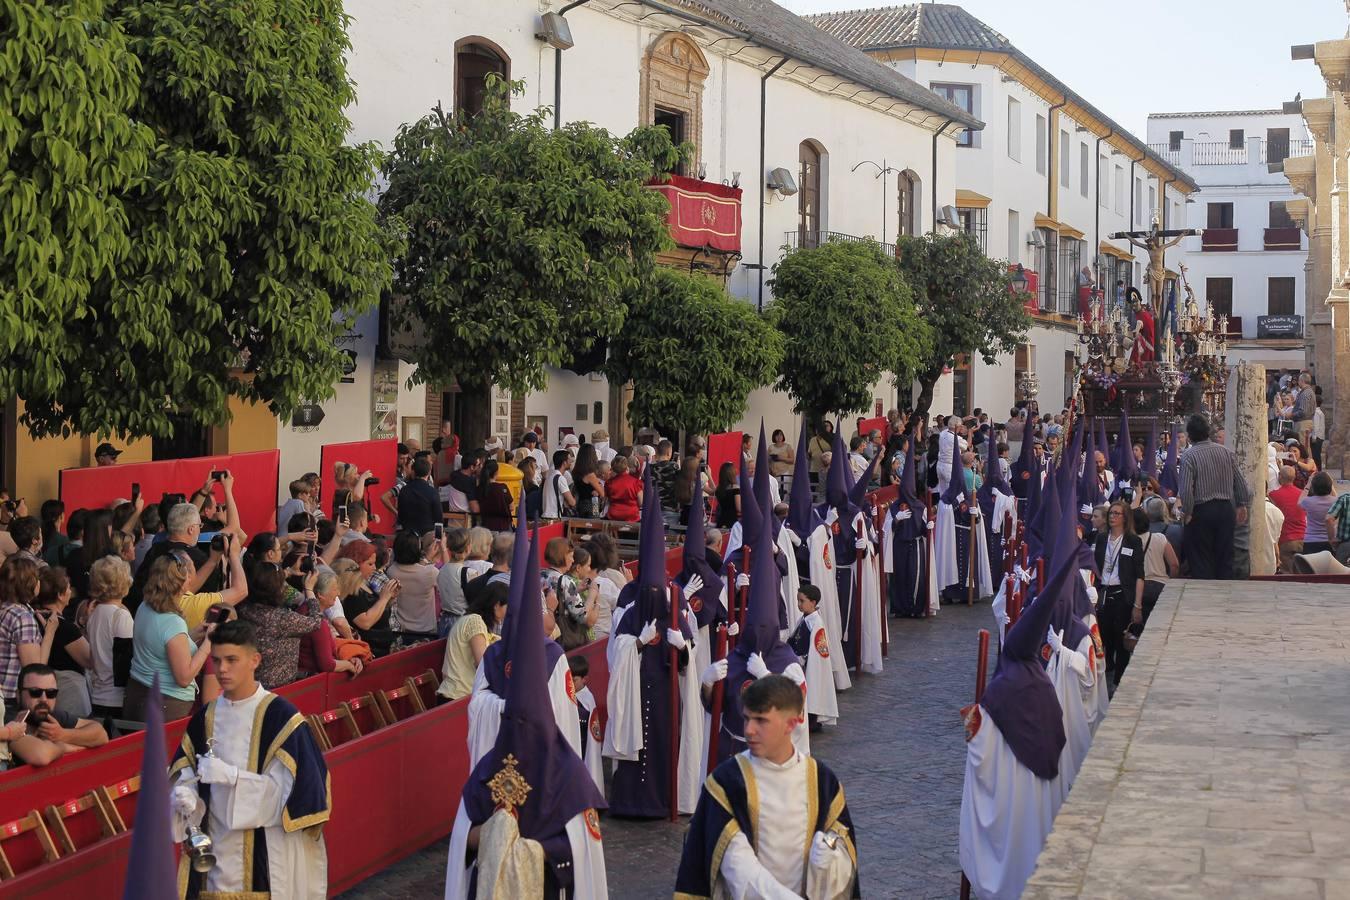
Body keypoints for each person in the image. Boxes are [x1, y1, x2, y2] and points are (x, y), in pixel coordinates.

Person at [444, 526, 607, 900]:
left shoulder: (566, 779)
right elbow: (462, 839)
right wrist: (488, 836)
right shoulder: (486, 775)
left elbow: (582, 852)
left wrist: (527, 850)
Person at [170, 620, 330, 899]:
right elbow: (185, 774)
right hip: (213, 859)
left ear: (255, 660)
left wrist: (232, 778)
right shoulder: (203, 719)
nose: (221, 669)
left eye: (232, 660)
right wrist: (186, 796)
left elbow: (287, 800)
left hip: (264, 860)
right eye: (217, 660)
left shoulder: (282, 719)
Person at [675, 675, 858, 898]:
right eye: (746, 718)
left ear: (791, 724)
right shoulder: (727, 783)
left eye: (761, 720)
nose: (749, 730)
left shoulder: (823, 783)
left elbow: (844, 865)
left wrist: (833, 859)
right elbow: (739, 870)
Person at [604, 475, 703, 818]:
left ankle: (662, 798)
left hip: (663, 691)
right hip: (636, 691)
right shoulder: (630, 613)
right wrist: (638, 643)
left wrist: (683, 647)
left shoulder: (674, 608)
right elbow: (614, 654)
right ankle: (631, 801)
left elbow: (691, 655)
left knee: (662, 743)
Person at [125, 553, 216, 721]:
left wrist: (191, 635)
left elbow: (162, 643)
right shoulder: (172, 622)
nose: (191, 578)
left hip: (136, 695)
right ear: (180, 583)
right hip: (167, 706)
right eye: (188, 574)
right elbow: (184, 677)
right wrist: (208, 643)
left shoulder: (144, 607)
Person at [1178, 414, 1251, 580]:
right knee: (1225, 556)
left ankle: (1206, 597)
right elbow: (1239, 481)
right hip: (1225, 509)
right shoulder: (1226, 452)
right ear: (1208, 432)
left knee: (1201, 557)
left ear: (1189, 436)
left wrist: (1187, 512)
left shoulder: (1189, 456)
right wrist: (1242, 504)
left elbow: (1186, 489)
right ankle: (1225, 594)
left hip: (1201, 511)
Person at [1, 664, 108, 767]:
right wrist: (62, 747)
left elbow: (101, 735)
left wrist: (63, 735)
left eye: (51, 693)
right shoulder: (9, 718)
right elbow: (40, 755)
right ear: (18, 695)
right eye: (35, 692)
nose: (44, 699)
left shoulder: (51, 716)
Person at [1094, 500, 1145, 690]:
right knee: (1104, 636)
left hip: (1123, 593)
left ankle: (1118, 681)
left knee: (1121, 638)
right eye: (1111, 514)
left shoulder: (1133, 541)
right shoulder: (1101, 538)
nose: (1113, 517)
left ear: (1125, 518)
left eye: (1117, 514)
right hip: (1104, 592)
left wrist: (1137, 605)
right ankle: (1106, 672)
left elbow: (1140, 575)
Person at [34, 567, 92, 717]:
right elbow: (89, 659)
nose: (71, 591)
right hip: (68, 698)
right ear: (60, 595)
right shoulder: (65, 628)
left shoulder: (35, 618)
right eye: (68, 588)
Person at [436, 580, 507, 702]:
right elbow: (483, 663)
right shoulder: (475, 621)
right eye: (508, 606)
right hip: (457, 697)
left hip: (459, 695)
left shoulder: (474, 620)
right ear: (496, 605)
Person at [86, 556, 136, 719]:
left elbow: (93, 661)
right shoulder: (120, 616)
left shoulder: (94, 614)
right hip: (117, 699)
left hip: (98, 695)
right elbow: (125, 664)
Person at [334, 541, 400, 657]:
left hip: (381, 648)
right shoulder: (351, 591)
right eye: (370, 564)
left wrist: (389, 597)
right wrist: (383, 599)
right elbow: (365, 622)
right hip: (369, 651)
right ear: (356, 564)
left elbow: (376, 609)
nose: (374, 568)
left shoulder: (366, 583)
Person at [297, 571, 365, 679]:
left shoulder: (303, 609)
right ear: (320, 595)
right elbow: (327, 665)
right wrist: (348, 665)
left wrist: (347, 659)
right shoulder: (318, 624)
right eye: (334, 589)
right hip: (311, 681)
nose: (338, 593)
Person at [0, 557, 48, 708]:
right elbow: (35, 670)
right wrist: (50, 632)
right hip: (11, 699)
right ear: (30, 584)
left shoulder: (5, 610)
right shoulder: (22, 618)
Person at [387, 531, 442, 647]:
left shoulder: (391, 571)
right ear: (418, 549)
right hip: (426, 631)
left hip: (400, 629)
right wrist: (429, 558)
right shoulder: (430, 572)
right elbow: (446, 580)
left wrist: (426, 559)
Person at [1268, 467, 1308, 571]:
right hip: (1302, 538)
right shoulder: (1302, 494)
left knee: (1287, 575)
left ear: (1280, 477)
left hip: (1285, 540)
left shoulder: (1273, 495)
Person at [396, 455, 442, 536]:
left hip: (408, 536)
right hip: (428, 536)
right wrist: (438, 537)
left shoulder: (404, 490)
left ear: (413, 471)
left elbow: (401, 515)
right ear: (429, 472)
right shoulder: (433, 492)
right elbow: (438, 519)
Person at [1297, 471, 1337, 556]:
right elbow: (1336, 497)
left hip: (1310, 541)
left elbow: (1299, 502)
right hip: (1328, 541)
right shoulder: (1334, 502)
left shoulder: (1308, 502)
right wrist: (1330, 483)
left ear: (1313, 487)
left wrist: (1308, 483)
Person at [604, 455, 642, 522]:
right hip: (632, 515)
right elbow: (641, 501)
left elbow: (607, 499)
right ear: (626, 466)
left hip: (613, 515)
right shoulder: (636, 482)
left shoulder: (609, 482)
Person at [542, 449, 577, 520]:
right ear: (564, 462)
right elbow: (572, 502)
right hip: (553, 517)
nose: (571, 462)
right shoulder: (560, 478)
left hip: (545, 516)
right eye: (569, 460)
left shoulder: (549, 476)